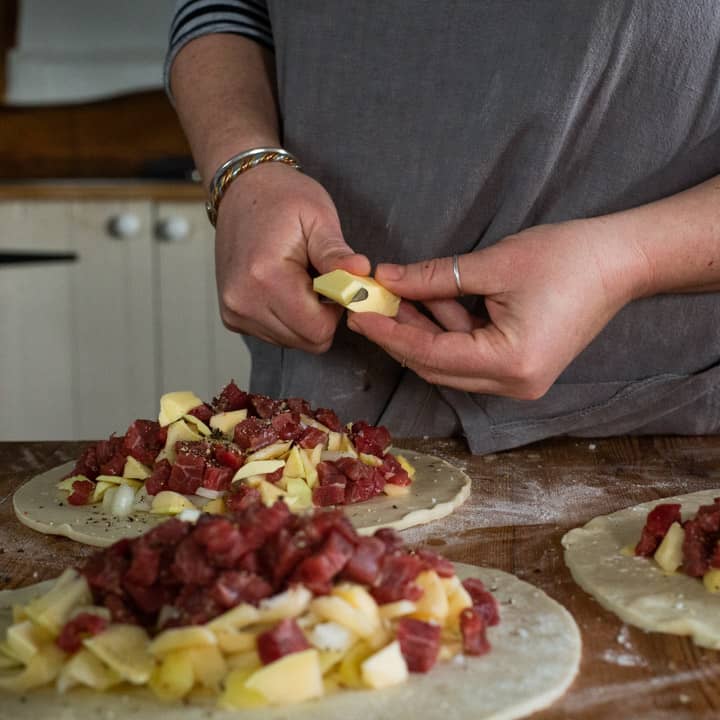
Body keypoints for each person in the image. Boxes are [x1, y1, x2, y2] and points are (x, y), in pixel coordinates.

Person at [165, 1, 720, 454]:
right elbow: (225, 8)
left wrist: (624, 262)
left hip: (648, 435)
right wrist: (244, 166)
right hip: (320, 411)